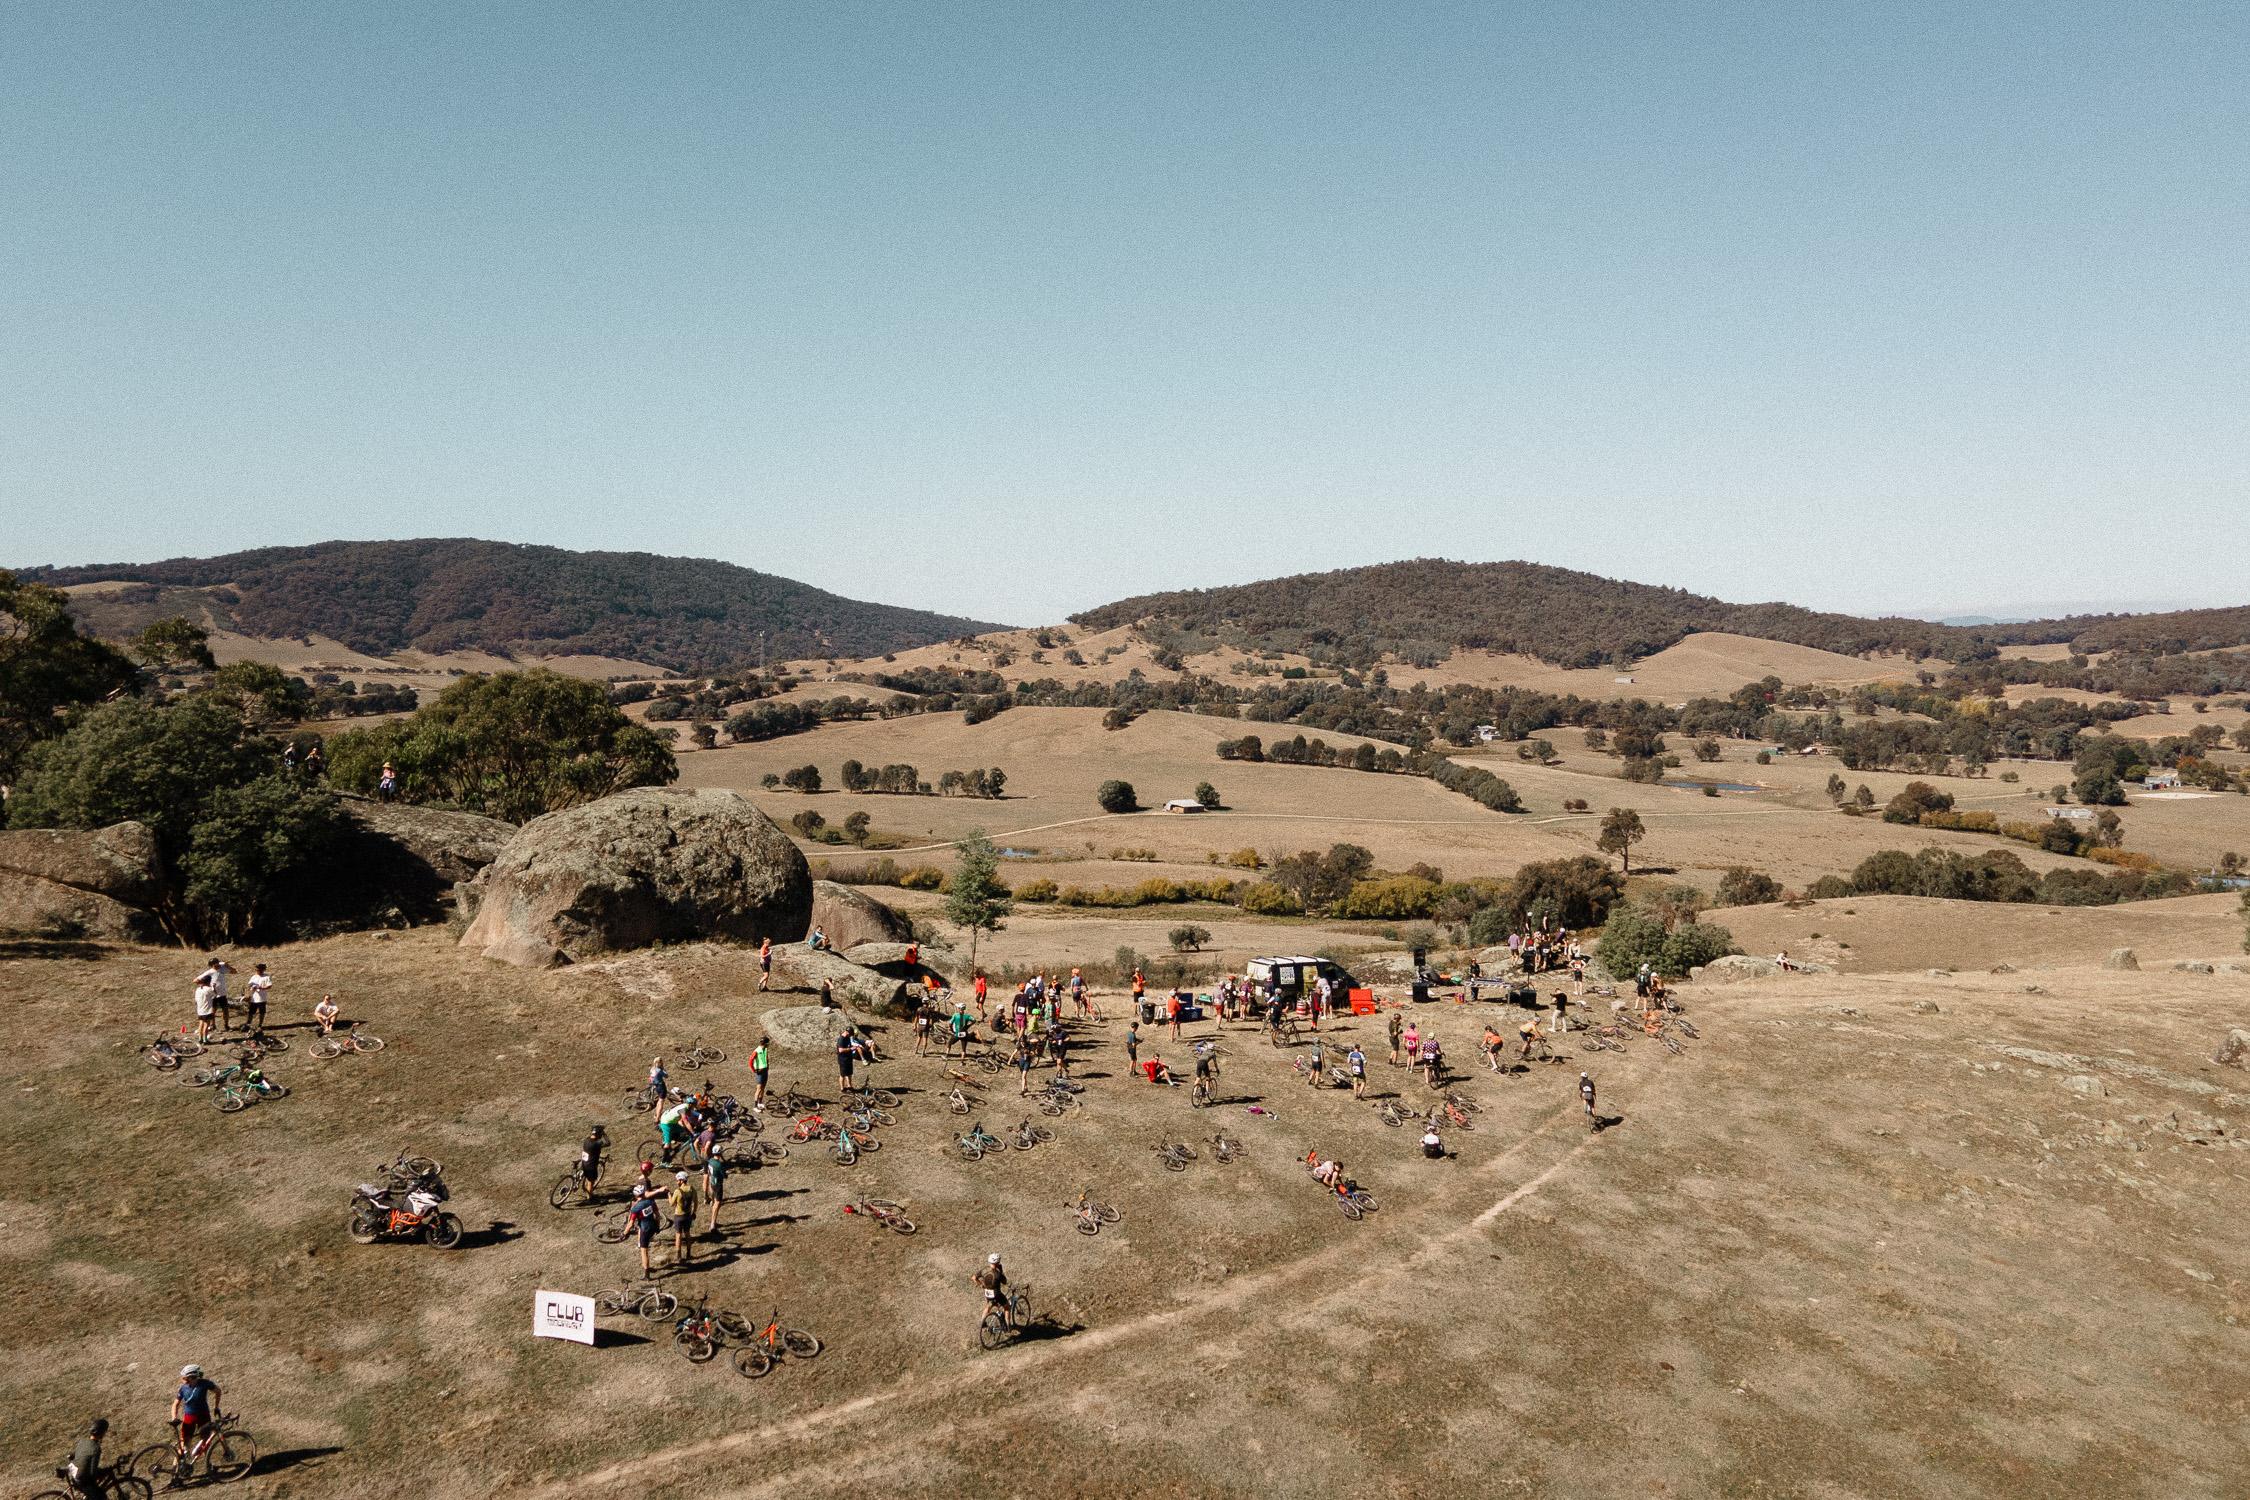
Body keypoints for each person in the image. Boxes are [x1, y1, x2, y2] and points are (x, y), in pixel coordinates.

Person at [172, 1364, 222, 1461]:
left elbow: (218, 1391)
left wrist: (174, 1417)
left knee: (203, 1441)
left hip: (193, 1417)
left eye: (185, 1378)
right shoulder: (203, 1383)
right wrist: (216, 1407)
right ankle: (177, 1468)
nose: (184, 1380)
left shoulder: (185, 1387)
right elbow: (218, 1391)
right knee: (186, 1445)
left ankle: (179, 1468)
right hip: (201, 1416)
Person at [62, 1417, 110, 1497]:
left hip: (73, 1473)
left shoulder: (83, 1441)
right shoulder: (96, 1449)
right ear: (101, 1433)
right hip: (80, 1479)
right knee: (101, 1497)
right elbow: (92, 1473)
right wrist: (103, 1472)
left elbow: (76, 1455)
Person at [974, 1253, 1012, 1334]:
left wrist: (981, 1284)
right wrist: (1001, 1271)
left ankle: (982, 1323)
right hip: (996, 1294)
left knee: (988, 1306)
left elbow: (974, 1277)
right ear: (997, 1263)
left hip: (987, 1293)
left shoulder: (984, 1270)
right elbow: (1005, 1282)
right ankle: (1008, 1327)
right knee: (1007, 1307)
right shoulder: (997, 1274)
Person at [667, 1172, 699, 1266]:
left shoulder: (677, 1191)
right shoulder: (692, 1189)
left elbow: (671, 1204)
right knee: (688, 1234)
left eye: (677, 1180)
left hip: (679, 1216)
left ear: (681, 1180)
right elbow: (696, 1202)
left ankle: (679, 1256)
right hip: (688, 1215)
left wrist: (669, 1195)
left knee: (678, 1236)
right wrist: (694, 1212)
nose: (677, 1182)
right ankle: (689, 1254)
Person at [628, 1185, 660, 1276]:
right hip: (652, 1226)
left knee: (644, 1250)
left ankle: (647, 1273)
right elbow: (657, 1215)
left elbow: (630, 1224)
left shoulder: (636, 1208)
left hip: (644, 1229)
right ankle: (647, 1268)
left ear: (635, 1195)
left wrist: (624, 1233)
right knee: (645, 1247)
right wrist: (658, 1226)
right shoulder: (651, 1202)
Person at [198, 956, 233, 1036]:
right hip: (213, 995)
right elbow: (196, 980)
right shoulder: (209, 972)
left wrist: (228, 966)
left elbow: (234, 971)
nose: (217, 965)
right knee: (213, 1011)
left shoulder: (222, 969)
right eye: (214, 964)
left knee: (225, 1010)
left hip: (223, 994)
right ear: (211, 965)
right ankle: (213, 1026)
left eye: (217, 963)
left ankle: (226, 1025)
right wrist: (204, 986)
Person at [702, 1145, 728, 1231]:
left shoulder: (710, 1161)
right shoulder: (719, 1165)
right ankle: (713, 1224)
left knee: (714, 1199)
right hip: (718, 1184)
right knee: (718, 1203)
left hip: (712, 1181)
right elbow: (724, 1176)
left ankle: (712, 1202)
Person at [244, 963, 273, 1038]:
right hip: (254, 998)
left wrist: (261, 988)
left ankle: (260, 1025)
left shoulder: (266, 977)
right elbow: (249, 985)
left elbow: (269, 986)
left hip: (262, 998)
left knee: (261, 1012)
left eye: (258, 970)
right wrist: (250, 990)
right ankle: (248, 1024)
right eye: (256, 969)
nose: (257, 971)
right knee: (251, 1012)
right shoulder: (254, 976)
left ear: (262, 970)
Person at [578, 1124, 607, 1193]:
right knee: (591, 1181)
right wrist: (604, 1134)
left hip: (584, 1162)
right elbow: (608, 1143)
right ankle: (589, 1198)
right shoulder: (597, 1143)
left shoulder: (586, 1140)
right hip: (590, 1166)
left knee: (582, 1174)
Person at [192, 972, 216, 1044]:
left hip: (200, 1010)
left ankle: (200, 1038)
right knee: (206, 1024)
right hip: (207, 1010)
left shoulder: (198, 989)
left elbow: (196, 1000)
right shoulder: (208, 989)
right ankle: (205, 1039)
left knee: (201, 1024)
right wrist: (213, 988)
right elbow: (215, 995)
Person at [749, 1037, 770, 1107]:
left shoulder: (765, 1049)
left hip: (765, 1070)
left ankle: (760, 1102)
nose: (769, 1044)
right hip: (760, 1071)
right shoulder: (757, 1051)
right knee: (759, 1088)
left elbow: (766, 1058)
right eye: (768, 1043)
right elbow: (750, 1061)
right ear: (765, 1043)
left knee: (763, 1088)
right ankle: (755, 1106)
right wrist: (753, 1070)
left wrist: (767, 1065)